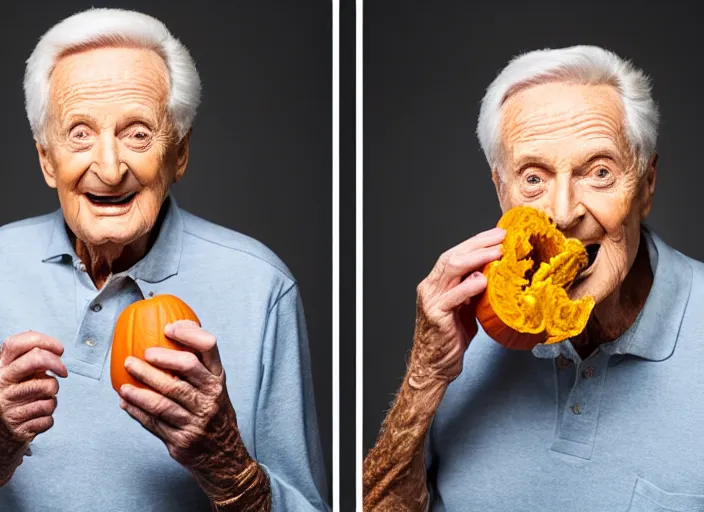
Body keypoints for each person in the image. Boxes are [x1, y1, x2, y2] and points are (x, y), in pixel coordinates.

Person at [0, 8, 328, 511]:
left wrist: (227, 466)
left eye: (137, 133)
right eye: (80, 133)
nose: (109, 169)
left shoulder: (261, 286)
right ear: (47, 158)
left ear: (179, 154)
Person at [363, 45, 704, 511]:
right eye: (533, 179)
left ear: (646, 184)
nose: (563, 214)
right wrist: (425, 377)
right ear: (500, 190)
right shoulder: (457, 329)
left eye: (599, 172)